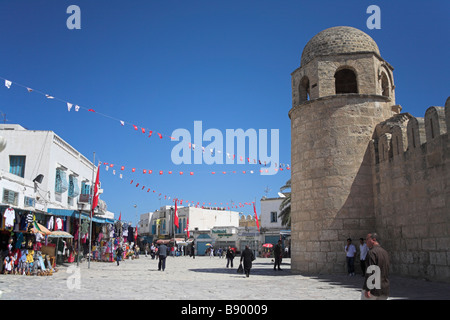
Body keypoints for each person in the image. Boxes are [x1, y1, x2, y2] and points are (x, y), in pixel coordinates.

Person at [362, 233, 390, 300]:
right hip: (384, 288)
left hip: (373, 289)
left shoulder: (372, 252)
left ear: (373, 239)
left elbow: (371, 271)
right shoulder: (385, 252)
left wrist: (368, 289)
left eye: (367, 239)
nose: (366, 241)